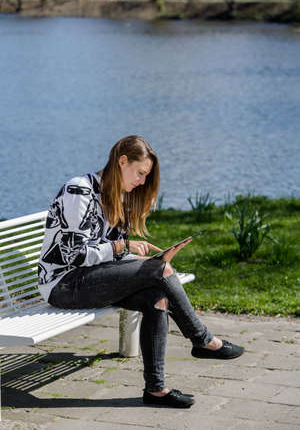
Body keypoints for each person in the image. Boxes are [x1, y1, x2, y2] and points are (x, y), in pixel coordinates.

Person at [38, 135, 244, 409]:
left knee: (157, 295)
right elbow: (73, 256)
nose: (143, 181)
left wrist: (129, 254)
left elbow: (109, 251)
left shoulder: (117, 198)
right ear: (122, 161)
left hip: (92, 278)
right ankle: (202, 339)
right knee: (159, 269)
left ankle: (156, 390)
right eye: (140, 173)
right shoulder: (79, 192)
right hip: (63, 283)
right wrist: (123, 247)